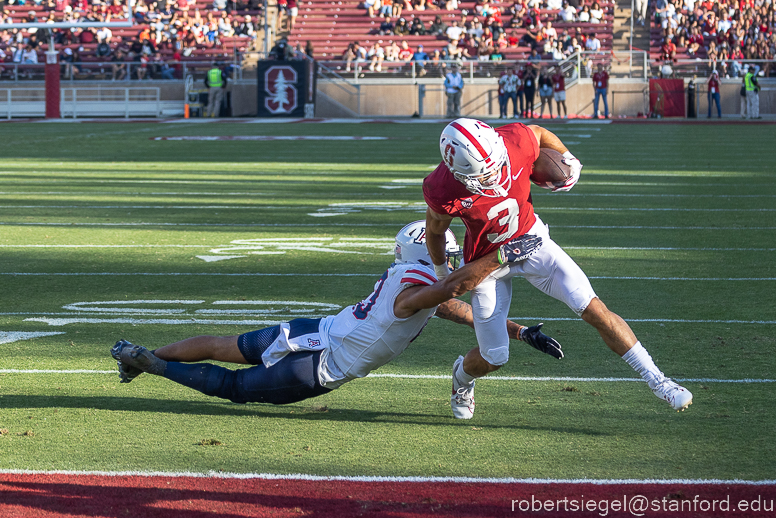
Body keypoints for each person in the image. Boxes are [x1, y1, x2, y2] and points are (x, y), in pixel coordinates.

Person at [111, 222, 562, 407]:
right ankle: (154, 365)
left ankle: (142, 355)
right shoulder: (417, 291)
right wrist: (501, 256)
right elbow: (451, 290)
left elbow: (458, 308)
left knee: (219, 344)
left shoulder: (408, 276)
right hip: (325, 364)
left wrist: (520, 332)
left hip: (315, 331)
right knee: (233, 387)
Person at [423, 118, 693, 419]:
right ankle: (462, 376)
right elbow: (434, 230)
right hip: (488, 263)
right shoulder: (441, 187)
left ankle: (659, 381)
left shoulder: (512, 141)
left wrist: (568, 157)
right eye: (485, 174)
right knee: (494, 356)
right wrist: (442, 274)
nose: (497, 175)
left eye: (497, 165)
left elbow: (538, 133)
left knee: (593, 308)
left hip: (531, 240)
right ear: (459, 173)